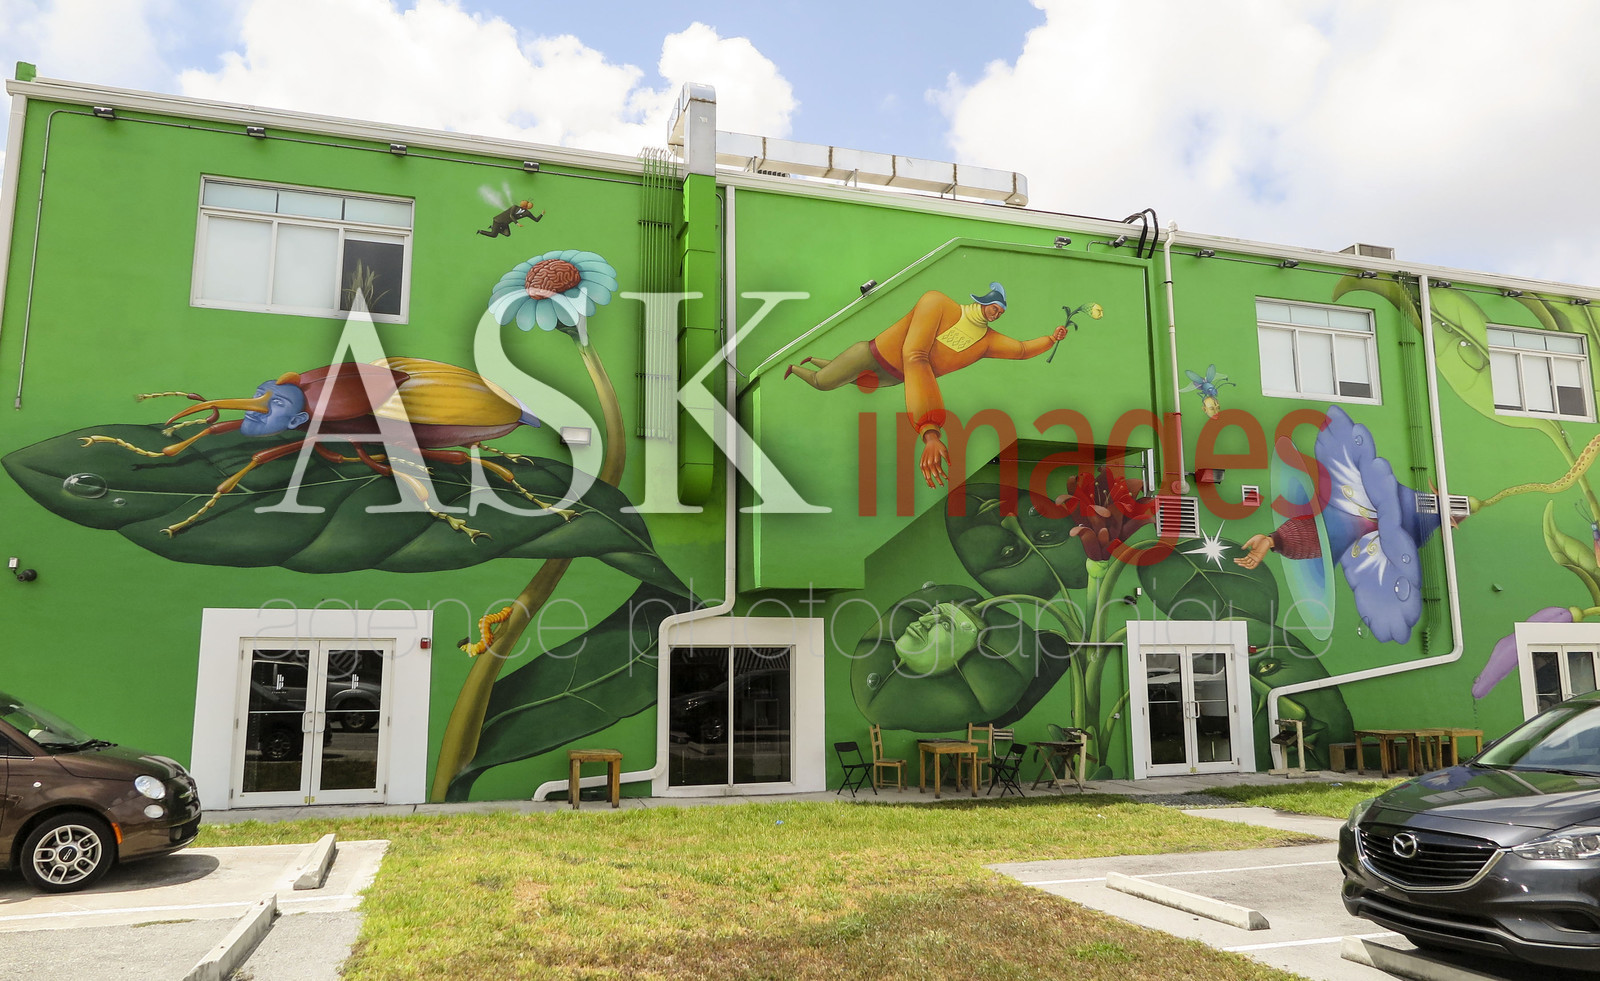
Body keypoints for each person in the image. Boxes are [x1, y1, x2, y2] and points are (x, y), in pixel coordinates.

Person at [787, 283, 1068, 487]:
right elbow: (915, 355)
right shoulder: (937, 303)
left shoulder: (987, 341)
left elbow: (1020, 350)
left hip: (894, 377)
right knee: (823, 384)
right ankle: (794, 367)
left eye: (1000, 312)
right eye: (994, 308)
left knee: (851, 380)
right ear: (983, 302)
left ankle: (825, 363)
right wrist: (929, 431)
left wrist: (1050, 339)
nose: (996, 314)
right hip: (870, 356)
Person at [477, 201, 544, 237]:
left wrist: (542, 214)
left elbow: (536, 220)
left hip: (505, 223)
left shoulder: (527, 213)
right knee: (494, 235)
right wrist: (517, 223)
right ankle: (480, 231)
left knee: (507, 234)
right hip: (498, 221)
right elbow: (511, 215)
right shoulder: (514, 207)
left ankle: (493, 227)